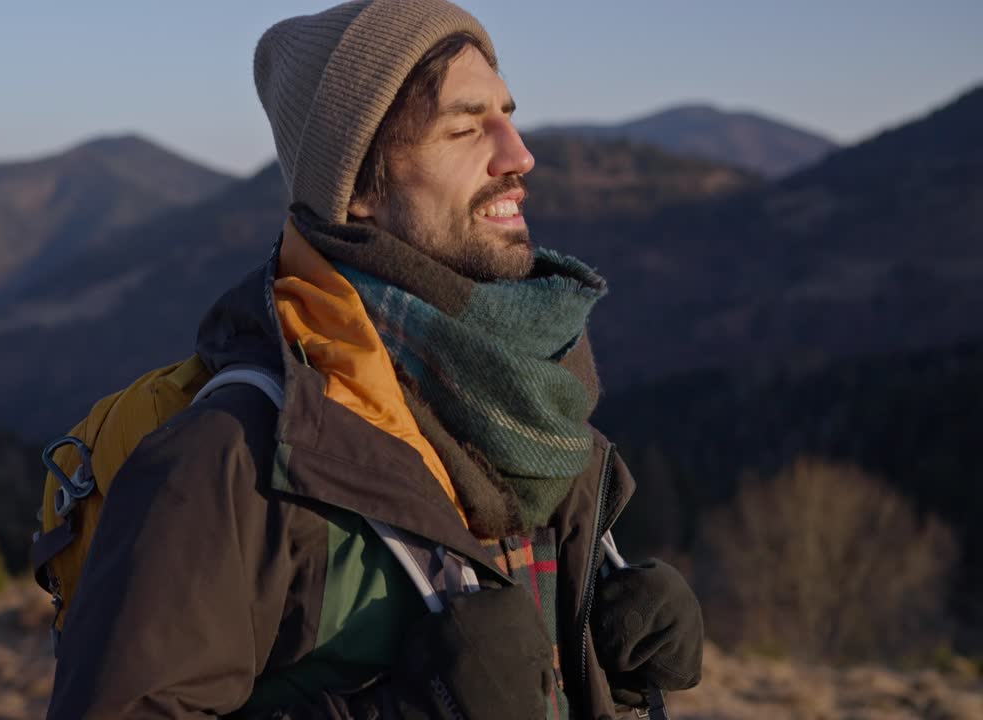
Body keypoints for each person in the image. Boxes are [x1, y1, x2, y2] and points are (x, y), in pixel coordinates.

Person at [46, 1, 703, 718]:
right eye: (465, 127)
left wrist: (601, 653)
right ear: (357, 186)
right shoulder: (232, 464)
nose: (519, 155)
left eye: (507, 115)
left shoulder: (536, 410)